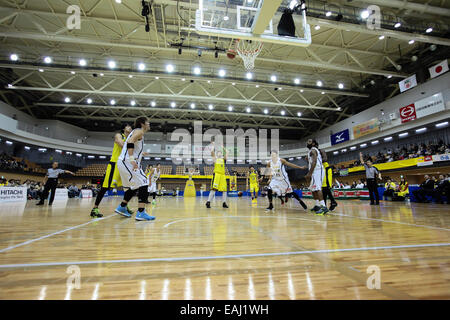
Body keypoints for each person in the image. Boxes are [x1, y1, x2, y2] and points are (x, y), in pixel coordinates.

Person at [116, 117, 155, 221]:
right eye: (148, 122)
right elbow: (130, 141)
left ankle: (122, 207)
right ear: (142, 124)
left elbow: (130, 144)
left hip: (124, 162)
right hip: (128, 162)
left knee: (134, 187)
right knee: (144, 182)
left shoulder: (136, 132)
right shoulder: (139, 131)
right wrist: (132, 159)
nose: (149, 124)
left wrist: (141, 153)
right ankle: (141, 212)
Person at [90, 124, 133, 218]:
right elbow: (120, 143)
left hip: (123, 165)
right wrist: (132, 146)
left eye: (131, 127)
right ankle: (94, 209)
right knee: (105, 187)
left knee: (128, 188)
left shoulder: (130, 138)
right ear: (124, 128)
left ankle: (124, 206)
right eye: (128, 126)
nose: (130, 128)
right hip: (114, 164)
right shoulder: (119, 135)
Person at [305, 139, 328, 214]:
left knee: (317, 188)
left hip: (317, 170)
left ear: (313, 143)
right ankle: (317, 205)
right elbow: (312, 161)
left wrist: (309, 173)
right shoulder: (310, 151)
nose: (307, 142)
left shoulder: (313, 150)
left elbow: (314, 162)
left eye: (309, 141)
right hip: (314, 171)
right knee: (313, 189)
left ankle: (324, 207)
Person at [206, 142, 229, 209]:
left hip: (222, 175)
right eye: (218, 152)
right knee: (214, 188)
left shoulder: (223, 160)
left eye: (220, 152)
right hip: (216, 175)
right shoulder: (215, 159)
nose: (219, 153)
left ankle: (224, 203)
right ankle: (208, 202)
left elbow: (227, 152)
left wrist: (223, 147)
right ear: (217, 154)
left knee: (224, 190)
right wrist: (213, 145)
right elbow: (212, 152)